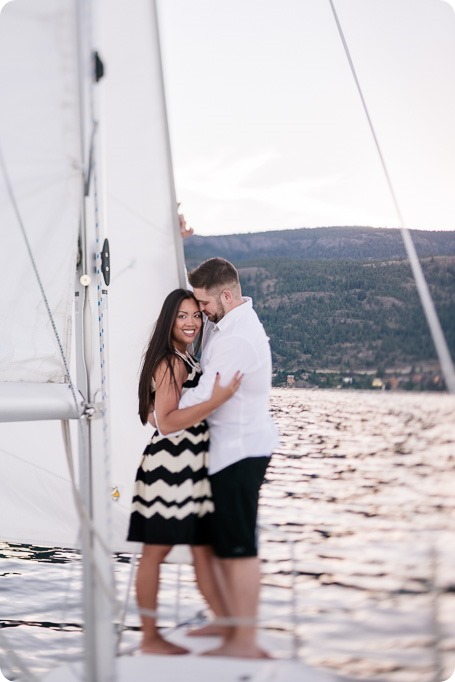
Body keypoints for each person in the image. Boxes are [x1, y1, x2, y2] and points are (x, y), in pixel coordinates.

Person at [127, 288, 242, 655]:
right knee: (156, 552)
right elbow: (168, 422)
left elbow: (152, 412)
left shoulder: (182, 358)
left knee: (203, 550)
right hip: (170, 470)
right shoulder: (172, 362)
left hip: (189, 469)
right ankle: (149, 638)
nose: (192, 322)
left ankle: (229, 627)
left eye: (196, 314)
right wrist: (216, 401)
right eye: (182, 316)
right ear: (169, 320)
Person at [179, 257, 279, 659]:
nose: (199, 310)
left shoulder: (238, 338)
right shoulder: (226, 326)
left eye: (203, 303)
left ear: (226, 295)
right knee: (224, 545)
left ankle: (244, 641)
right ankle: (226, 624)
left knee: (239, 549)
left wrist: (161, 405)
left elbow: (205, 398)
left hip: (239, 452)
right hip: (227, 452)